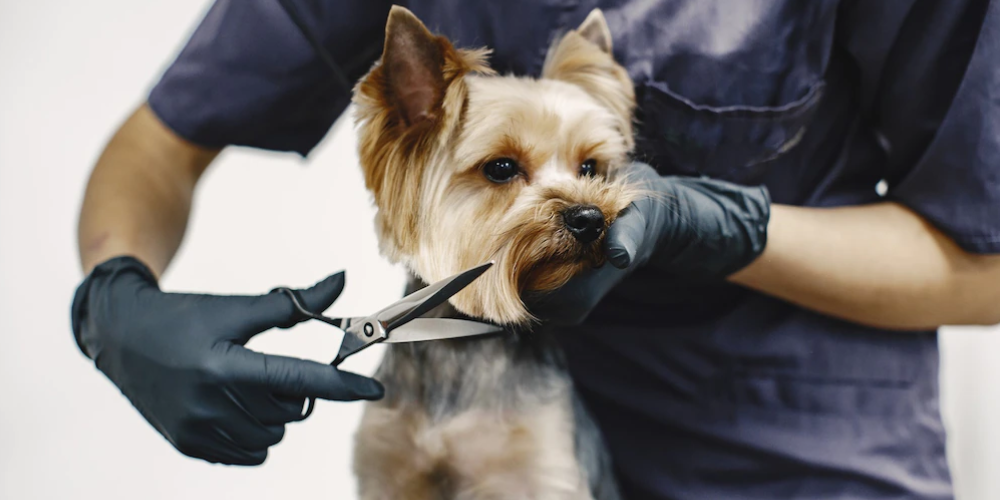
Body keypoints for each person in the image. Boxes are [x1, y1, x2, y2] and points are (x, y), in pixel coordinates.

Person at [72, 1, 1000, 498]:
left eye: (592, 166)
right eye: (506, 168)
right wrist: (117, 300)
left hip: (795, 448)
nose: (575, 202)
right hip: (448, 373)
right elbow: (157, 142)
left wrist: (728, 228)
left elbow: (985, 269)